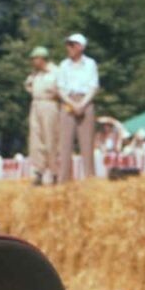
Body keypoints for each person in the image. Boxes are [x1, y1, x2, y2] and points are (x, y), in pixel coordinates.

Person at [55, 33, 99, 182]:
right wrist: (72, 104)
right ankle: (64, 179)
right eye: (68, 45)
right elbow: (60, 88)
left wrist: (82, 104)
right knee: (65, 143)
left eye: (72, 45)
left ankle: (89, 178)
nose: (69, 48)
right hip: (68, 101)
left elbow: (93, 86)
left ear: (81, 47)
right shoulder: (63, 65)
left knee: (87, 144)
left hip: (85, 100)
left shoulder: (90, 64)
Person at [25, 45, 61, 186]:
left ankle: (54, 173)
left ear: (42, 58)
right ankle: (38, 172)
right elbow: (28, 86)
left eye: (35, 58)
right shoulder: (35, 74)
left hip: (49, 104)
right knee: (36, 139)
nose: (33, 61)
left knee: (50, 139)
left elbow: (60, 88)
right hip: (36, 104)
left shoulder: (55, 71)